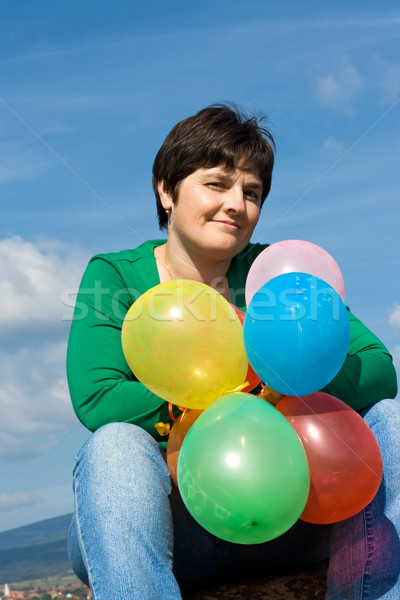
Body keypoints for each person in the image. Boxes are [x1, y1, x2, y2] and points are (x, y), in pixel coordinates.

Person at [66, 104, 399, 599]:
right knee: (113, 445)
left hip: (287, 516)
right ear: (166, 189)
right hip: (176, 528)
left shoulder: (278, 275)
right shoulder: (114, 277)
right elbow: (98, 395)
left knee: (389, 419)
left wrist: (280, 386)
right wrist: (229, 395)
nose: (236, 205)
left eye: (252, 192)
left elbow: (378, 369)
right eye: (217, 184)